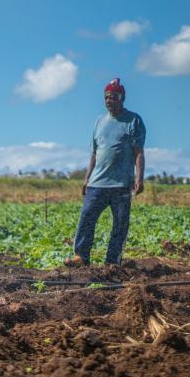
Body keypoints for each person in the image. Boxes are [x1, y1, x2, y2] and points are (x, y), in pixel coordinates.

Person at [66, 78, 145, 267]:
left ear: (122, 97)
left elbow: (138, 153)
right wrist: (86, 178)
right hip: (97, 183)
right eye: (106, 98)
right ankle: (81, 256)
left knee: (119, 225)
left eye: (113, 97)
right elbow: (94, 152)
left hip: (121, 185)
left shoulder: (133, 121)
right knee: (86, 218)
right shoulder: (99, 121)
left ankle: (112, 263)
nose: (109, 100)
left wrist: (139, 178)